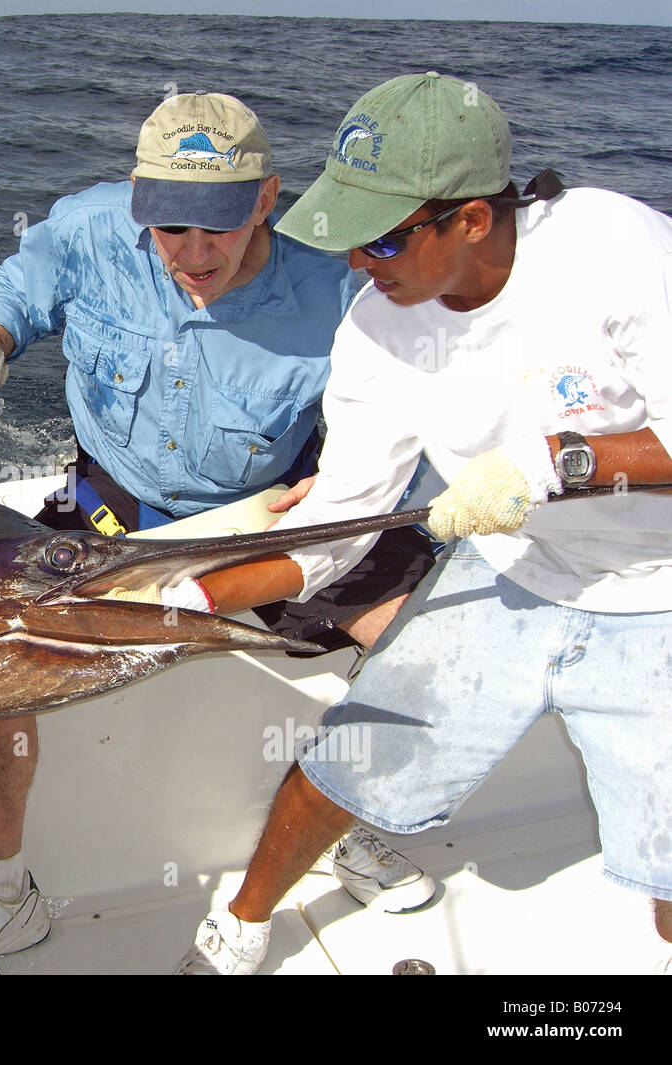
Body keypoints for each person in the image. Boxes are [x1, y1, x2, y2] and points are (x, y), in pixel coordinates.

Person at [174, 71, 672, 975]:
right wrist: (187, 600)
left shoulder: (621, 251)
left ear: (473, 220)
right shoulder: (377, 325)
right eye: (351, 237)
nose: (361, 262)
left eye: (386, 237)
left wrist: (557, 462)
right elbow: (342, 520)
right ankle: (245, 922)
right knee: (346, 762)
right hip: (515, 567)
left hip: (659, 592)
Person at [0, 91, 437, 973]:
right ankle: (7, 896)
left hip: (269, 513)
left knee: (416, 647)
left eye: (220, 228)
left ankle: (351, 819)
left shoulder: (338, 280)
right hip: (112, 516)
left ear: (268, 199)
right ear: (138, 204)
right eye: (171, 230)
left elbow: (422, 402)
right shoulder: (88, 229)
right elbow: (20, 289)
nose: (195, 256)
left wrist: (350, 469)